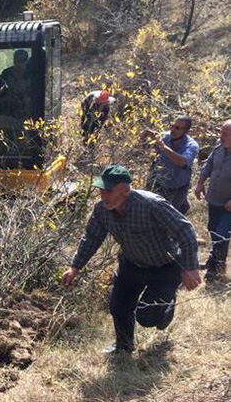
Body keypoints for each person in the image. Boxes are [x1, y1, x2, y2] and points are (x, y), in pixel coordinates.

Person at [63, 165, 201, 354]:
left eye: (109, 190)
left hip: (165, 266)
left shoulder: (151, 204)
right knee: (119, 307)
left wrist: (190, 267)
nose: (103, 194)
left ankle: (166, 308)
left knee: (147, 317)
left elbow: (184, 229)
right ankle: (124, 346)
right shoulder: (101, 210)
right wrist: (75, 267)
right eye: (101, 189)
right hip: (131, 262)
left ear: (125, 191)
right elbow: (92, 238)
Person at [194, 119, 231, 283]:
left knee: (221, 234)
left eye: (225, 133)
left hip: (228, 205)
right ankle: (214, 262)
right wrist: (200, 182)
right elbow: (209, 164)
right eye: (221, 132)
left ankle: (215, 270)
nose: (221, 136)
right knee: (213, 230)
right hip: (214, 199)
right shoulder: (219, 145)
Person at [145, 115, 199, 214]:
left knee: (171, 215)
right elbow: (146, 148)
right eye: (172, 126)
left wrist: (163, 147)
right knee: (151, 211)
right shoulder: (164, 136)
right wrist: (144, 137)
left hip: (177, 187)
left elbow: (181, 162)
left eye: (178, 128)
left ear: (186, 131)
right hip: (158, 183)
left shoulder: (192, 145)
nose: (173, 130)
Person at [0, 49, 32, 118]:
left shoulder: (31, 74)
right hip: (9, 108)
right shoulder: (7, 73)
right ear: (14, 61)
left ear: (26, 62)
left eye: (22, 61)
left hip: (26, 109)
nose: (19, 64)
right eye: (17, 60)